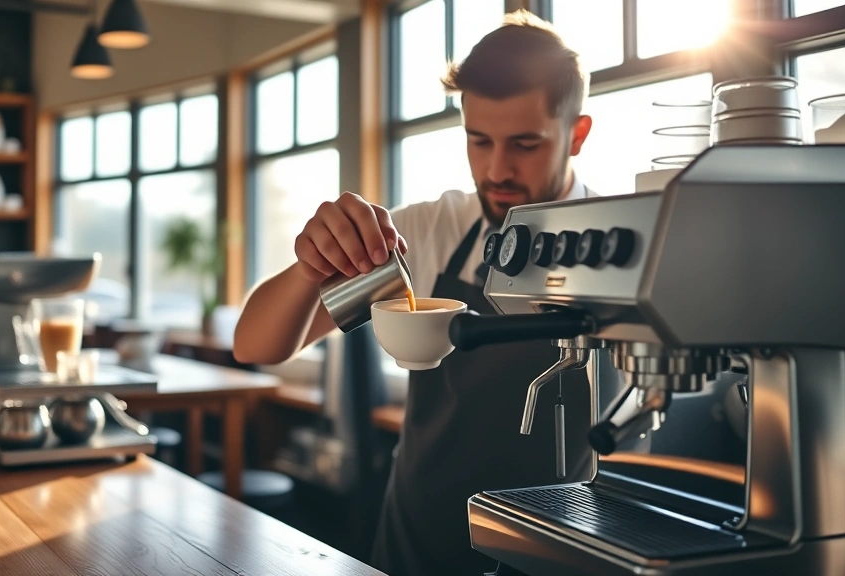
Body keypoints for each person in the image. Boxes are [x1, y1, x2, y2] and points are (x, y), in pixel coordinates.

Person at [234, 10, 596, 576]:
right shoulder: (430, 233)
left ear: (576, 135)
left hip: (558, 551)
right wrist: (311, 265)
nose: (497, 169)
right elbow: (257, 345)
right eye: (479, 141)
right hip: (419, 544)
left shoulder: (613, 245)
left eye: (525, 143)